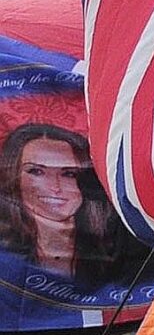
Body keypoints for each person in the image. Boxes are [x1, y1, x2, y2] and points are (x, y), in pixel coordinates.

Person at [0, 121, 127, 288]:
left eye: (69, 174)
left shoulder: (120, 250)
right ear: (13, 178)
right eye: (36, 171)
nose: (55, 187)